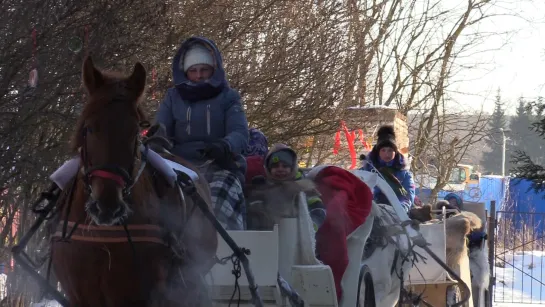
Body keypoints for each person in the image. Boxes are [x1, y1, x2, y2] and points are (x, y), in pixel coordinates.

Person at [155, 36, 249, 230]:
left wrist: (225, 145)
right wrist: (157, 142)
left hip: (218, 165)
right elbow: (160, 128)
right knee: (162, 204)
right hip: (180, 167)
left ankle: (223, 247)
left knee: (215, 205)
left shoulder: (228, 97)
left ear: (214, 70)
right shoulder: (173, 97)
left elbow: (239, 132)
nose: (199, 75)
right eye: (193, 71)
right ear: (185, 72)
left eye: (204, 69)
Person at [263, 144, 327, 231]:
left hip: (297, 234)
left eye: (285, 166)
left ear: (292, 167)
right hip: (268, 236)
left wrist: (311, 226)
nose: (280, 169)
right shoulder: (263, 188)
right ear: (268, 168)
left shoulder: (303, 187)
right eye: (275, 166)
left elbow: (318, 210)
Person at [361, 125, 415, 211]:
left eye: (390, 150)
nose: (387, 154)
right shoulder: (366, 171)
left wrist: (399, 210)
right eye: (383, 150)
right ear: (378, 152)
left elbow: (408, 196)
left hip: (397, 216)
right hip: (370, 214)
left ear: (395, 152)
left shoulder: (405, 174)